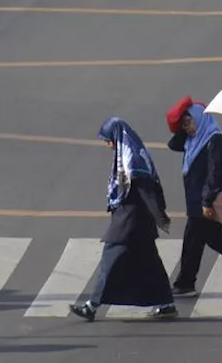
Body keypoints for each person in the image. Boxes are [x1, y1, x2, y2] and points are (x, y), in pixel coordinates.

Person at [70, 117, 179, 321]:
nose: (109, 145)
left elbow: (147, 190)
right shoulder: (130, 154)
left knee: (110, 257)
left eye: (108, 140)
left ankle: (91, 306)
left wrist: (159, 216)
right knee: (150, 263)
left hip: (131, 220)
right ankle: (166, 304)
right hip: (137, 221)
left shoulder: (133, 159)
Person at [165, 96, 222, 297]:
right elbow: (174, 144)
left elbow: (216, 175)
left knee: (200, 240)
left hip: (204, 203)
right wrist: (181, 125)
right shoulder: (194, 140)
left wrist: (207, 202)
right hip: (196, 203)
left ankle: (185, 283)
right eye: (184, 124)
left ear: (200, 119)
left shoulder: (214, 141)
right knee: (212, 241)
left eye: (189, 122)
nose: (187, 128)